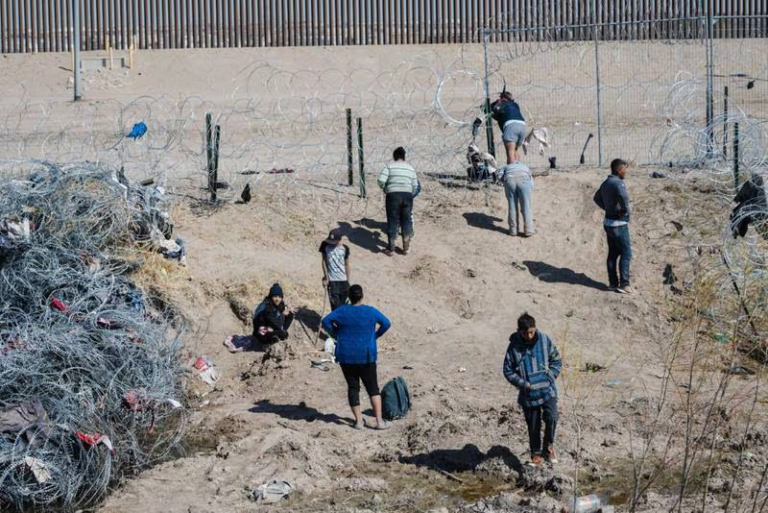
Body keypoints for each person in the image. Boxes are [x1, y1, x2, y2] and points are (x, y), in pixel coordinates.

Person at [321, 284, 392, 430]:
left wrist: (336, 333)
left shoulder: (342, 311)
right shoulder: (370, 311)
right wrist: (375, 336)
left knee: (353, 387)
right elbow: (386, 323)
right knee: (373, 388)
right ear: (362, 296)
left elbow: (325, 321)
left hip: (346, 355)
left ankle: (359, 422)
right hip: (366, 355)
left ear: (349, 297)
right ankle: (379, 422)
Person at [503, 312, 562, 467]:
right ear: (519, 331)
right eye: (526, 333)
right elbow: (508, 370)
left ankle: (548, 448)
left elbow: (556, 360)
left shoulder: (544, 340)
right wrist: (524, 384)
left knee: (552, 417)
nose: (529, 336)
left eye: (532, 332)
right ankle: (536, 454)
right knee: (533, 425)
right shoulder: (514, 347)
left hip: (548, 390)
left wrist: (550, 377)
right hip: (528, 394)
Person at [594, 158, 634, 294]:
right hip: (619, 224)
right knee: (626, 253)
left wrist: (607, 208)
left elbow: (596, 198)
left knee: (613, 253)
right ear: (618, 170)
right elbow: (624, 198)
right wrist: (624, 211)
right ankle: (624, 284)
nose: (626, 171)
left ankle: (612, 283)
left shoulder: (605, 183)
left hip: (608, 223)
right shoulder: (618, 183)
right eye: (624, 169)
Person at [377, 146, 419, 256]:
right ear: (404, 157)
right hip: (407, 196)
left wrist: (385, 188)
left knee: (392, 220)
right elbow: (415, 185)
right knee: (406, 220)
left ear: (394, 156)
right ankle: (406, 247)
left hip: (393, 196)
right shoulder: (410, 168)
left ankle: (391, 249)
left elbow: (381, 180)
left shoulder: (389, 166)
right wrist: (409, 193)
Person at [497, 159, 535, 237]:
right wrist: (530, 189)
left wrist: (505, 183)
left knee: (512, 206)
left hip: (510, 179)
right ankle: (529, 230)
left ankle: (513, 230)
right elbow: (531, 180)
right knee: (526, 206)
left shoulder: (506, 166)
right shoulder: (524, 166)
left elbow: (499, 176)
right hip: (524, 179)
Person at [490, 90, 526, 164]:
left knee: (510, 152)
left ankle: (512, 170)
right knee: (515, 150)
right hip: (522, 125)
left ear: (502, 98)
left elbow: (490, 109)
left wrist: (496, 102)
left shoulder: (501, 103)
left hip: (511, 126)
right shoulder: (515, 105)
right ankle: (518, 169)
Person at [319, 227, 351, 311]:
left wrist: (348, 281)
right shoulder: (325, 246)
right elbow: (324, 262)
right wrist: (326, 277)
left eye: (333, 242)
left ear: (339, 239)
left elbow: (347, 265)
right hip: (332, 282)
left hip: (343, 281)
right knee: (335, 307)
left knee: (344, 307)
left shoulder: (345, 249)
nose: (331, 244)